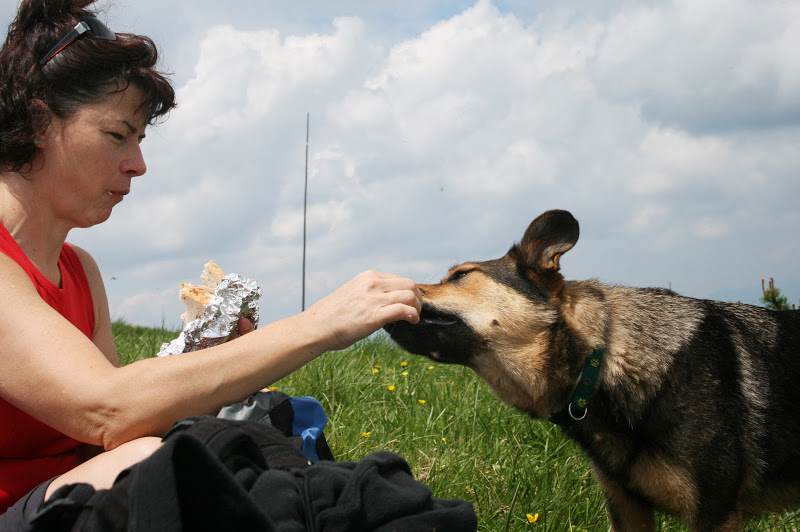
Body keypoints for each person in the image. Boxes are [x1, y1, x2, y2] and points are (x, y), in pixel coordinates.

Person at [0, 0, 422, 527]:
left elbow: (116, 432)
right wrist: (317, 326)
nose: (138, 164)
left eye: (140, 140)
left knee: (241, 447)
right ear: (39, 121)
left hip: (73, 496)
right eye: (117, 135)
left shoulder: (80, 271)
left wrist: (222, 372)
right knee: (175, 467)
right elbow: (107, 410)